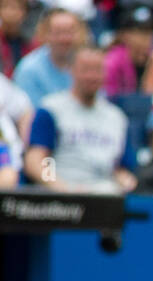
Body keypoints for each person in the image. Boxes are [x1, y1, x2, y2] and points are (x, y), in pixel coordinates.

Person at [24, 47, 134, 195]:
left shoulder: (117, 118)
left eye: (97, 70)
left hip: (105, 196)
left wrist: (126, 181)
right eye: (86, 69)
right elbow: (36, 161)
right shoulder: (51, 109)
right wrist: (56, 185)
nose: (92, 76)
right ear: (72, 70)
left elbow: (121, 169)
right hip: (62, 194)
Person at [13, 6, 81, 106]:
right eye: (58, 32)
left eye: (70, 32)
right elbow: (30, 113)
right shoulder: (29, 70)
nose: (65, 39)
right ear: (45, 34)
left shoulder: (85, 66)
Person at [102, 3, 153, 97]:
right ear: (124, 34)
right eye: (140, 31)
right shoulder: (112, 61)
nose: (146, 37)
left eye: (150, 31)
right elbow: (107, 97)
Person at [0, 0, 32, 79]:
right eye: (5, 7)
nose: (10, 12)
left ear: (25, 12)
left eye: (15, 8)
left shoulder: (30, 43)